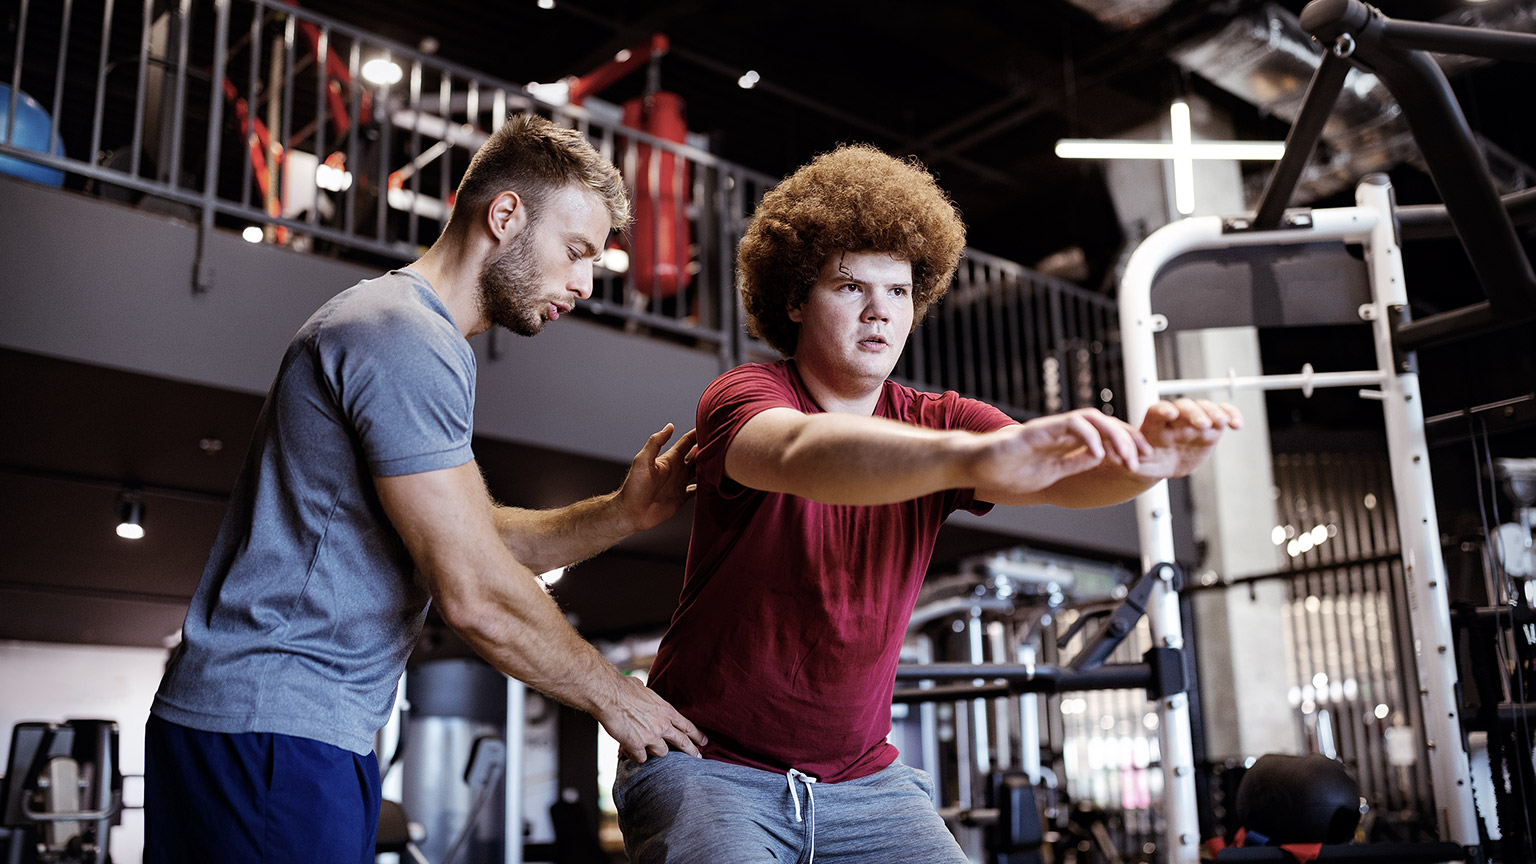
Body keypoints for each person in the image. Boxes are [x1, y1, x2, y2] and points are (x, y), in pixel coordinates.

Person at [613, 144, 1241, 863]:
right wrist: (972, 458)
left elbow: (1061, 478)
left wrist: (1147, 464)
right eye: (851, 288)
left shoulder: (945, 421)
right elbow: (797, 453)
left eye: (900, 292)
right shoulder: (746, 394)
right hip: (708, 766)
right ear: (794, 300)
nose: (880, 312)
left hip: (863, 781)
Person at [145, 114, 706, 864]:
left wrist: (622, 514)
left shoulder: (415, 335)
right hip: (274, 729)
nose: (583, 283)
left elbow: (473, 537)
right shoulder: (401, 334)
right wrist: (619, 697)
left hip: (282, 726)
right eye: (575, 252)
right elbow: (472, 590)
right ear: (504, 216)